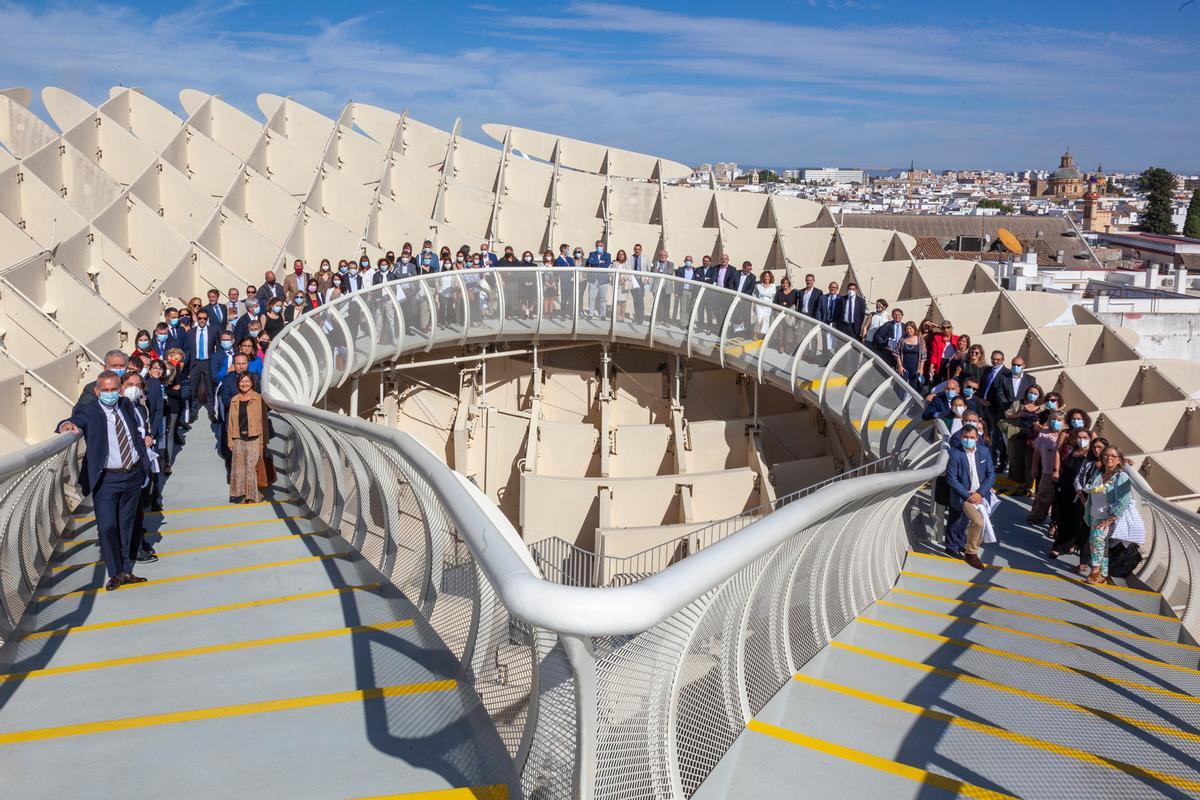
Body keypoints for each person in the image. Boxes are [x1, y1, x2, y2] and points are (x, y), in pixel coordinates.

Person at [55, 371, 153, 590]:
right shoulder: (89, 411)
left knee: (127, 525)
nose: (109, 394)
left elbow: (134, 432)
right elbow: (73, 420)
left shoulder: (126, 404)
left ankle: (127, 570)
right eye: (105, 390)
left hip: (133, 473)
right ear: (98, 391)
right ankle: (115, 572)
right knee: (107, 527)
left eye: (113, 389)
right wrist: (66, 426)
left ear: (119, 389)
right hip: (107, 478)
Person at [1081, 446, 1140, 585]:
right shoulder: (1098, 474)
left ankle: (1095, 571)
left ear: (1119, 460)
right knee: (1103, 544)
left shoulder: (1121, 477)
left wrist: (1110, 519)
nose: (1109, 458)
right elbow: (1089, 489)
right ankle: (1104, 574)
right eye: (1106, 455)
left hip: (1109, 518)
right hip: (1095, 515)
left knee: (1097, 539)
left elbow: (1124, 500)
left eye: (1113, 456)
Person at [945, 424, 996, 570]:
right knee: (978, 522)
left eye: (972, 437)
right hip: (964, 496)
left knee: (970, 522)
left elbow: (991, 474)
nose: (969, 440)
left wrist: (980, 493)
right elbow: (951, 478)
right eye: (966, 437)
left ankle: (962, 545)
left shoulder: (985, 452)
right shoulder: (955, 453)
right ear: (961, 437)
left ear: (977, 438)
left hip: (980, 495)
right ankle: (971, 553)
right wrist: (969, 495)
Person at [227, 373, 270, 504]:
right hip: (238, 438)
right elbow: (230, 422)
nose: (244, 384)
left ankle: (252, 496)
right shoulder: (234, 400)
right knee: (240, 469)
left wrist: (263, 442)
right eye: (241, 381)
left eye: (247, 381)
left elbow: (263, 422)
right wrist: (230, 440)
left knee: (251, 467)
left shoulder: (259, 399)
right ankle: (242, 494)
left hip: (255, 438)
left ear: (252, 383)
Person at [1049, 427, 1092, 560]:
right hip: (1065, 490)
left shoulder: (1090, 456)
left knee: (1075, 521)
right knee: (1064, 519)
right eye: (1079, 437)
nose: (1082, 440)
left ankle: (1060, 547)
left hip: (1079, 494)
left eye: (1085, 438)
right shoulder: (1073, 452)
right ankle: (1065, 544)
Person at [1003, 382, 1045, 495]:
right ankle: (1015, 487)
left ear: (1039, 395)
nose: (1032, 395)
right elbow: (1007, 414)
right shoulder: (1018, 403)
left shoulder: (1042, 407)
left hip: (1033, 440)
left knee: (1030, 463)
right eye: (1030, 392)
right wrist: (1018, 415)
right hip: (1017, 435)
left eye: (1035, 393)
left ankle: (1029, 488)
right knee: (1016, 462)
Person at [1029, 410, 1065, 524]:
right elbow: (1037, 452)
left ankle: (1055, 523)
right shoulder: (1044, 433)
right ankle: (1036, 516)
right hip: (1047, 471)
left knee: (1059, 500)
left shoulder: (1067, 435)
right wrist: (1034, 467)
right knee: (1042, 496)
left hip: (1063, 473)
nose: (1056, 422)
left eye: (1059, 420)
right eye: (1053, 419)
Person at [187, 308, 217, 420]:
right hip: (195, 363)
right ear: (197, 319)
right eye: (200, 318)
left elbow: (218, 346)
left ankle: (211, 412)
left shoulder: (213, 330)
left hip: (208, 362)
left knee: (210, 388)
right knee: (193, 389)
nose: (202, 320)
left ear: (207, 319)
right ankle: (193, 412)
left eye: (205, 318)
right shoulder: (191, 332)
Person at [892, 322, 926, 393]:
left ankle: (911, 403)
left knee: (914, 387)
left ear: (914, 329)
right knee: (900, 385)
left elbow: (923, 354)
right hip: (904, 366)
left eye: (910, 329)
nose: (909, 331)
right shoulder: (903, 339)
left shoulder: (920, 339)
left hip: (915, 367)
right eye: (907, 329)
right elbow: (897, 352)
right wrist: (899, 366)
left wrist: (921, 368)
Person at [585, 240, 612, 318]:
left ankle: (603, 314)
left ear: (604, 247)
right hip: (592, 278)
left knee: (603, 297)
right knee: (591, 297)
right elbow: (590, 261)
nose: (599, 247)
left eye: (601, 246)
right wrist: (600, 262)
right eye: (598, 246)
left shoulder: (607, 255)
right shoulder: (592, 254)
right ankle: (591, 313)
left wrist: (596, 262)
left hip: (603, 279)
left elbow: (607, 264)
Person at [753, 270, 775, 337]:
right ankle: (755, 333)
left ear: (770, 277)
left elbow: (773, 296)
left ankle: (763, 335)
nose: (766, 278)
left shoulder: (773, 286)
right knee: (759, 319)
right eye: (765, 276)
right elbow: (754, 295)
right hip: (760, 305)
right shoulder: (758, 286)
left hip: (768, 306)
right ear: (763, 277)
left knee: (766, 320)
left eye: (768, 276)